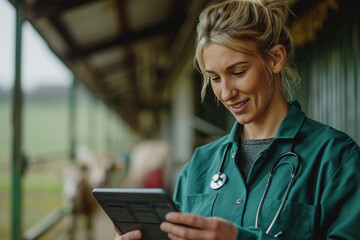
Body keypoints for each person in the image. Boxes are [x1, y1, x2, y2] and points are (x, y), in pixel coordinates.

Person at [115, 0, 360, 239]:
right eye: (215, 78)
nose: (226, 93)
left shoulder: (335, 158)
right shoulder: (198, 167)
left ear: (275, 59)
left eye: (238, 72)